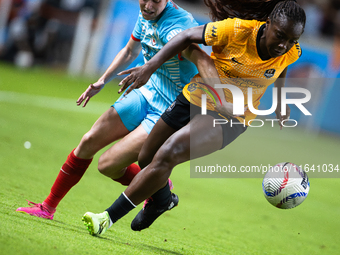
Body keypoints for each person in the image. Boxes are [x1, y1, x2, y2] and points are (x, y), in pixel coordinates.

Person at [81, 0, 306, 236]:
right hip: (195, 96)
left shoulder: (291, 50)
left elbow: (282, 65)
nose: (284, 45)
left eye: (292, 40)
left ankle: (106, 218)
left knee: (169, 152)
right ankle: (162, 200)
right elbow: (187, 36)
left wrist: (281, 100)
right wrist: (149, 67)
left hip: (231, 117)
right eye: (280, 35)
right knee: (147, 157)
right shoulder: (237, 30)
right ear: (268, 23)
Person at [16, 0, 200, 220]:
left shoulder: (181, 26)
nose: (148, 5)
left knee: (108, 166)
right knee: (88, 141)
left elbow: (202, 65)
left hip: (169, 109)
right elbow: (130, 51)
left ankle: (156, 186)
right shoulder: (146, 14)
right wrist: (102, 80)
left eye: (156, 0)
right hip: (147, 91)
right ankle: (47, 208)